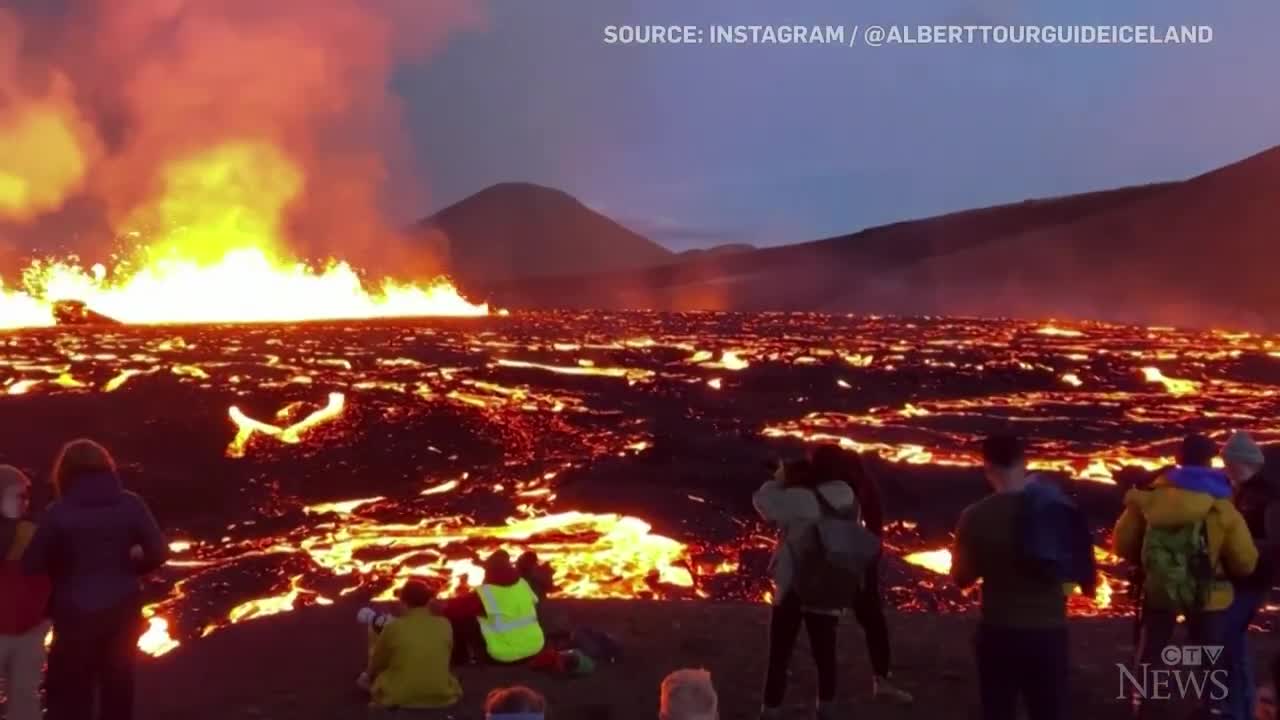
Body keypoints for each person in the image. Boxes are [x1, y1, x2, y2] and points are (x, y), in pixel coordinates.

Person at [21, 439, 169, 720]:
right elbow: (159, 552)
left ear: (64, 473)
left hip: (74, 610)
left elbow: (33, 564)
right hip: (123, 607)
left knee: (73, 690)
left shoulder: (58, 513)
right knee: (118, 685)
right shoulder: (131, 504)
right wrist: (131, 568)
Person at [1113, 433, 1258, 719]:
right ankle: (1210, 707)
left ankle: (1147, 705)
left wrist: (1156, 565)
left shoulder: (1148, 499)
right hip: (1209, 594)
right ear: (1210, 461)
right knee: (1209, 657)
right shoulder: (1221, 506)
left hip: (1159, 589)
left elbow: (1122, 545)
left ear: (1177, 460)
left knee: (1152, 652)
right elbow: (1244, 561)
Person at [952, 434, 1072, 720]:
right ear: (1025, 462)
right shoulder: (1058, 510)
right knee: (1048, 710)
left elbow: (962, 578)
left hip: (999, 630)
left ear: (987, 467)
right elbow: (1074, 569)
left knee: (999, 710)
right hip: (1049, 632)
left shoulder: (975, 516)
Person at [809, 445, 914, 705]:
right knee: (867, 620)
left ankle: (828, 699)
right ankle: (878, 681)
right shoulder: (852, 480)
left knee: (830, 626)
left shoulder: (845, 481)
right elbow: (873, 520)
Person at [753, 458, 854, 720]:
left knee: (780, 654)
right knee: (825, 652)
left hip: (795, 585)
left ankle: (771, 710)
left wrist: (779, 480)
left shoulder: (800, 499)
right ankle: (826, 708)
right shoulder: (846, 495)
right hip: (829, 581)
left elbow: (763, 503)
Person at [1222, 432, 1278, 720]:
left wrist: (1239, 544)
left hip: (1253, 579)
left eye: (1229, 463)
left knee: (1229, 638)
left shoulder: (1267, 498)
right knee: (1233, 642)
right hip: (1237, 578)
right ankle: (1239, 707)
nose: (1226, 469)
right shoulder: (1238, 492)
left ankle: (1239, 708)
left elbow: (1276, 542)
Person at [363, 579, 462, 712]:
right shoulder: (445, 624)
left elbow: (379, 661)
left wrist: (368, 676)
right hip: (441, 694)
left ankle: (368, 679)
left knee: (374, 631)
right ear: (428, 601)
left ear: (403, 602)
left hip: (399, 695)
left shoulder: (394, 627)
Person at [0, 466, 52, 720]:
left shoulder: (33, 531)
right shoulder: (28, 533)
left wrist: (43, 618)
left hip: (28, 630)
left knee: (25, 699)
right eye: (18, 495)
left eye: (27, 496)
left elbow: (50, 576)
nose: (25, 501)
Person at [436, 550, 546, 665]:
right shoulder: (523, 584)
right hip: (534, 647)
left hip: (505, 653)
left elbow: (452, 609)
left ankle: (461, 662)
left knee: (461, 620)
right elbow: (535, 602)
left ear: (490, 574)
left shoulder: (486, 594)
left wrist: (435, 604)